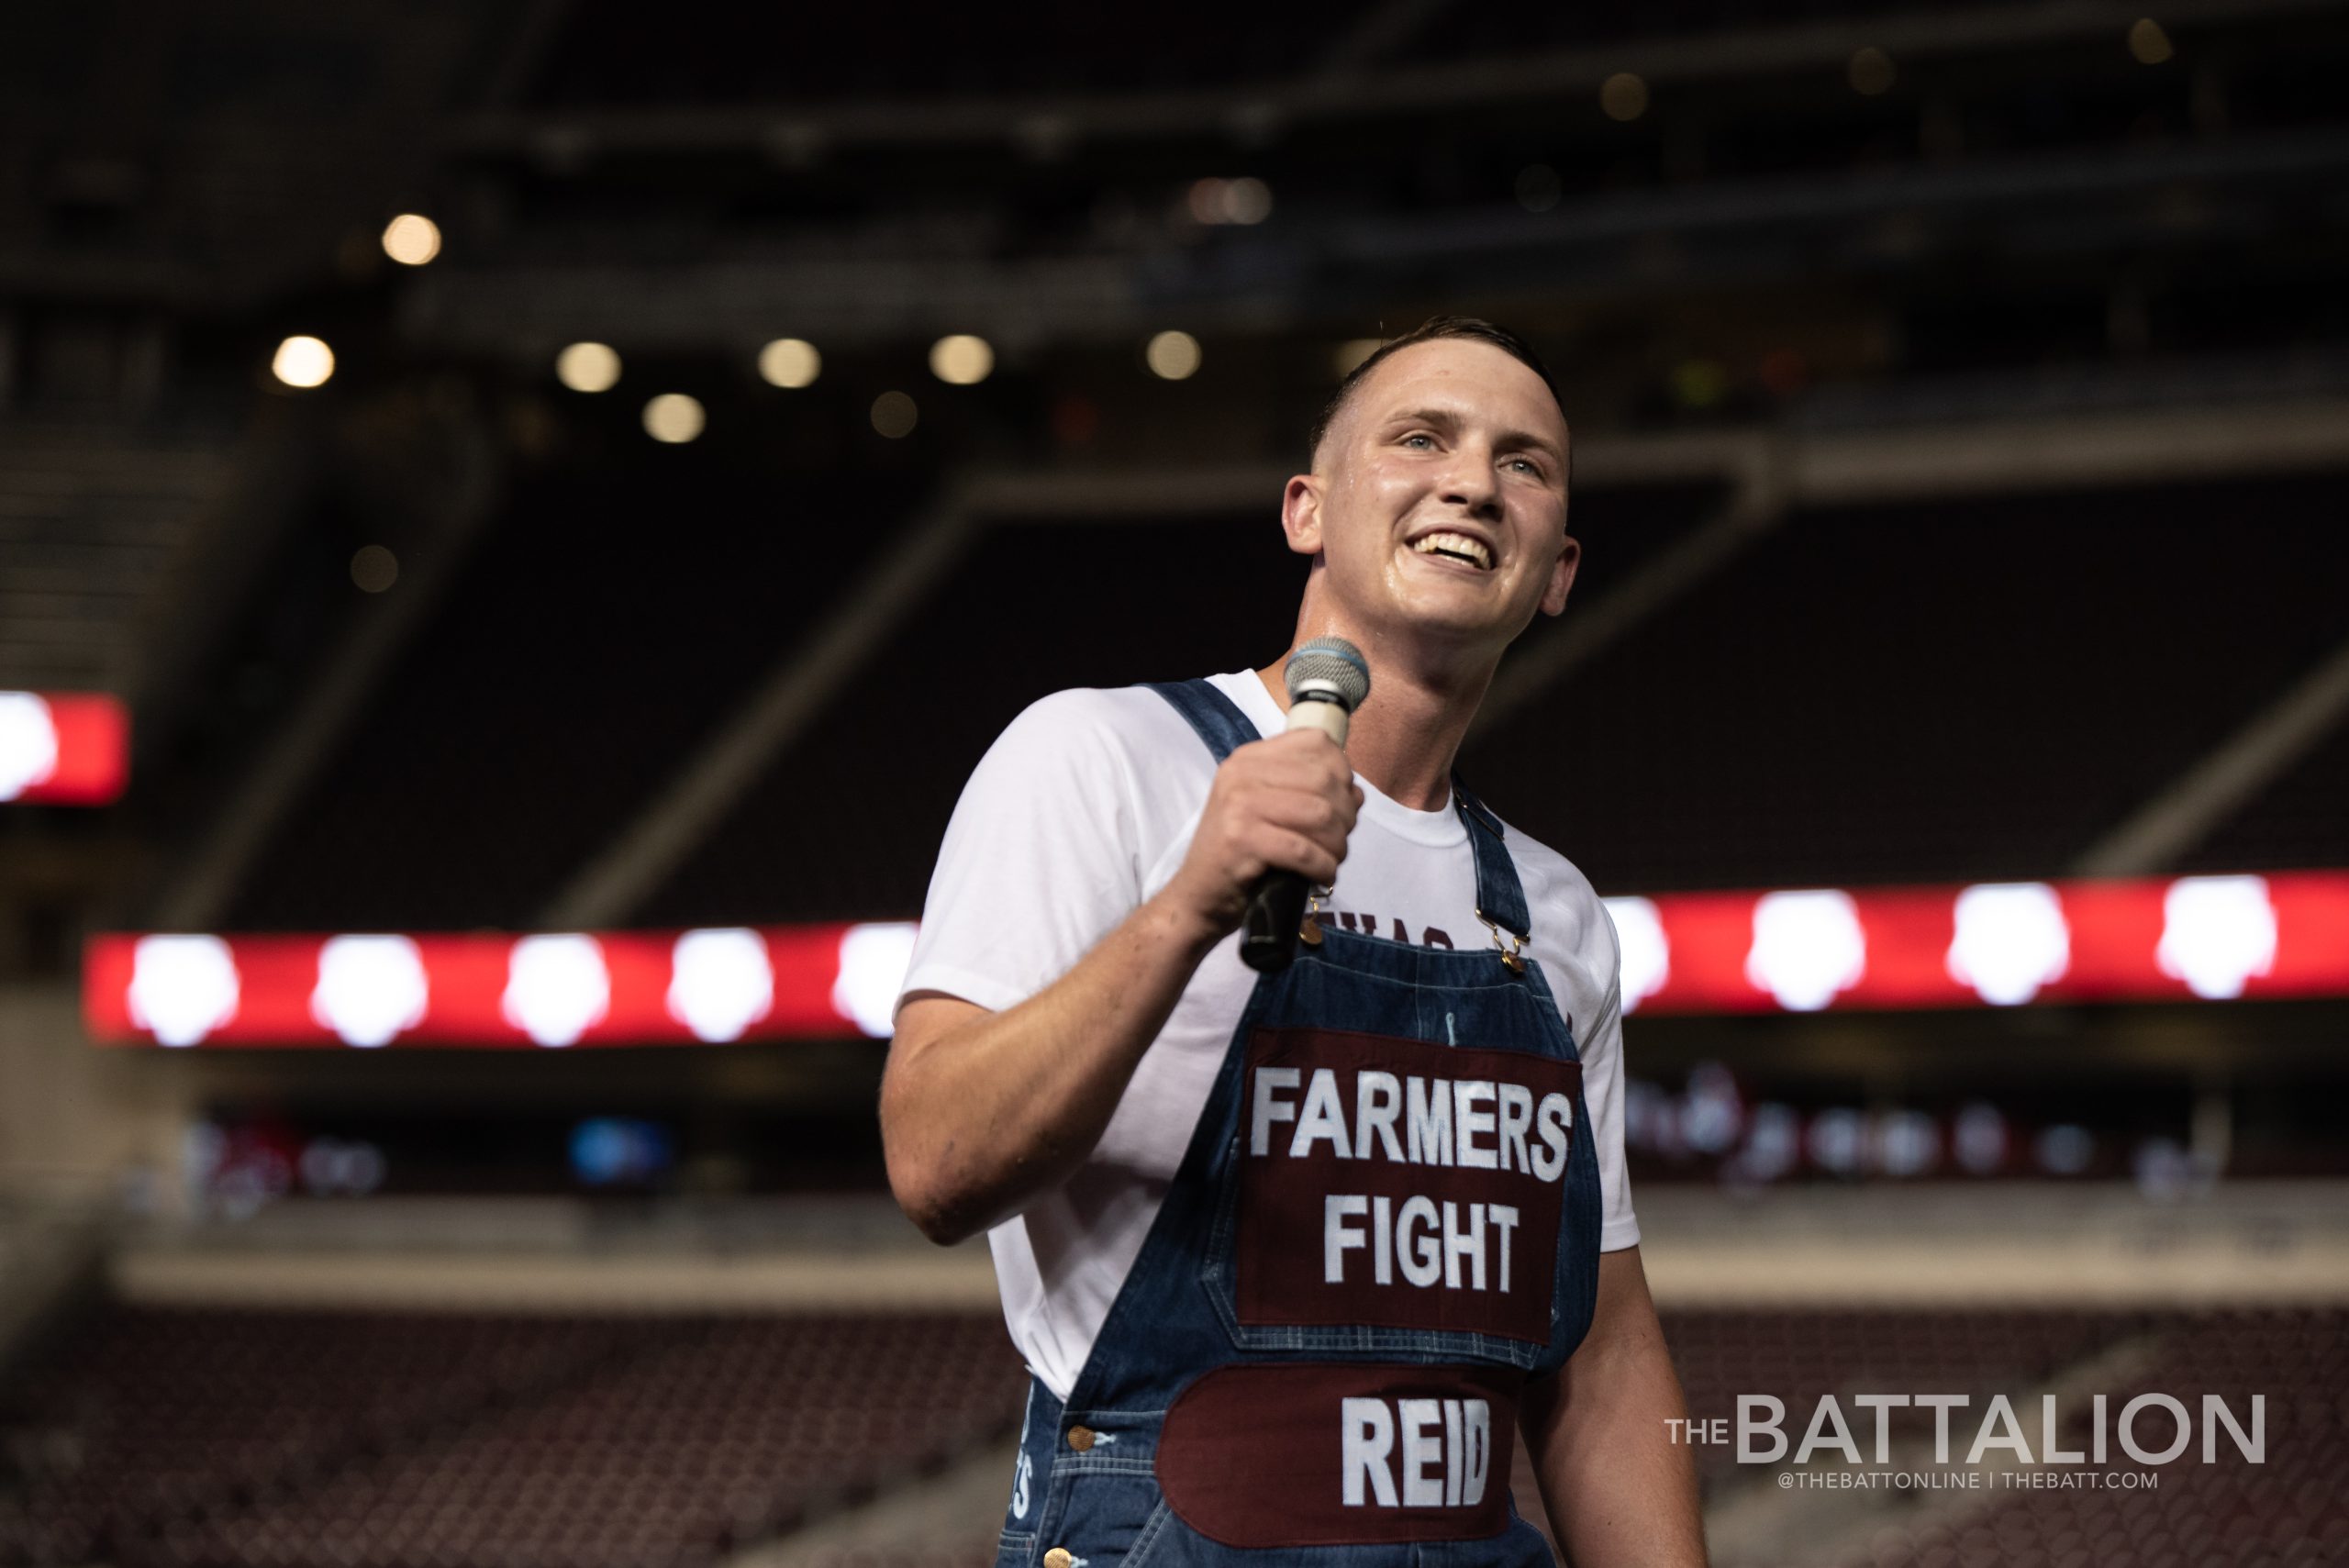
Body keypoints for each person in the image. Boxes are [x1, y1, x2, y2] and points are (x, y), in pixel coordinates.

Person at [882, 317, 1706, 1567]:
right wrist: (1186, 908)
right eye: (1420, 437)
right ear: (1305, 511)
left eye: (1524, 462)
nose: (1473, 481)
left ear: (1559, 571)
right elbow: (934, 1158)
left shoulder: (1554, 909)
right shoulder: (1102, 758)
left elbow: (1598, 1355)